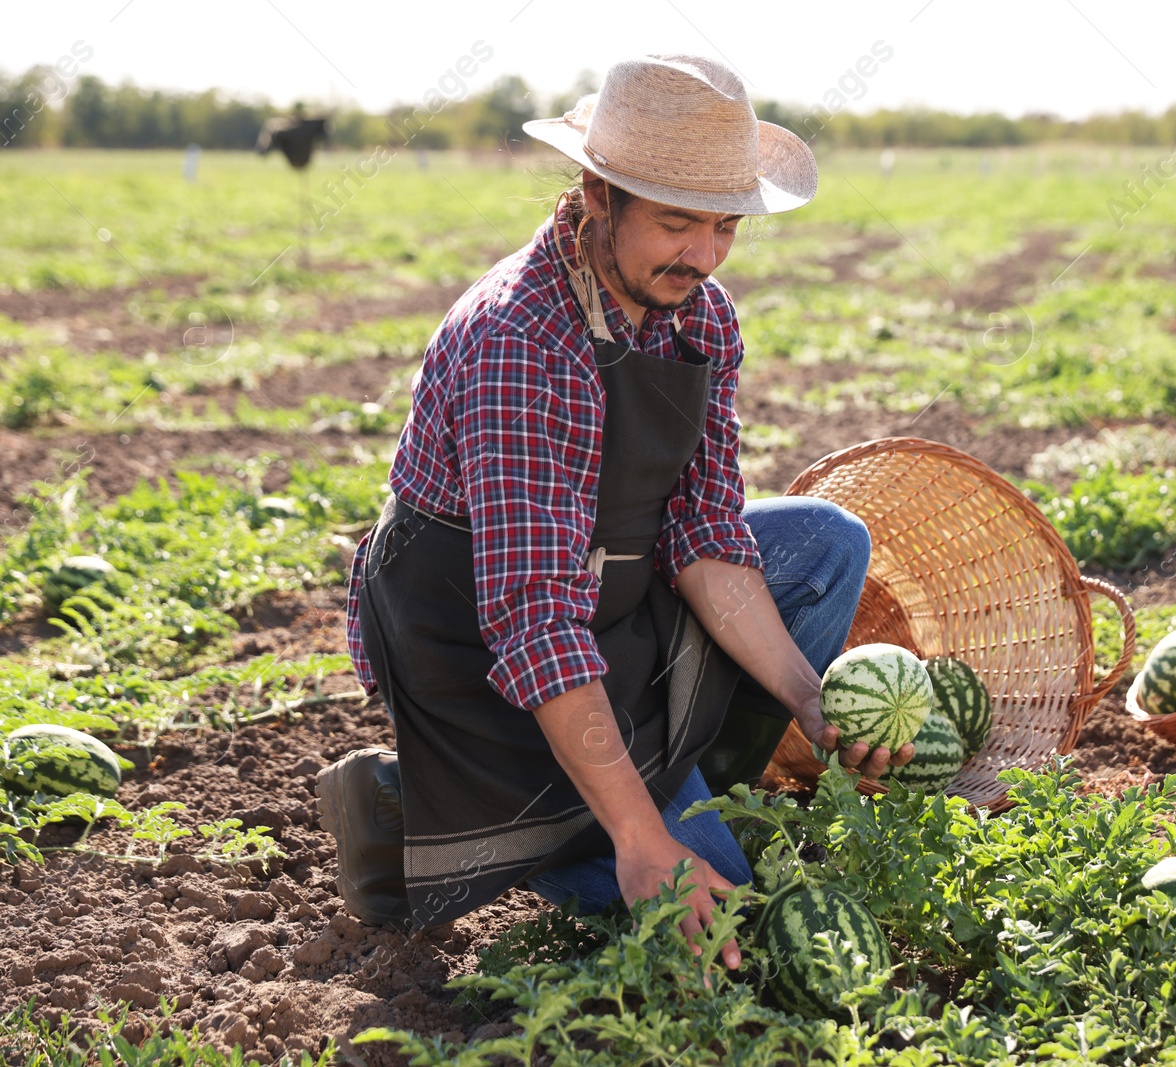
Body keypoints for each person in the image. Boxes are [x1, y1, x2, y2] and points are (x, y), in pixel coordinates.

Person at [315, 53, 911, 970]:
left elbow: (706, 532)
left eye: (724, 226)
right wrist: (642, 840)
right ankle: (430, 819)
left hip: (606, 587)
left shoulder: (699, 315)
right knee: (724, 904)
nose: (704, 256)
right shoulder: (522, 342)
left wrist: (809, 699)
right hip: (474, 643)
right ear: (600, 194)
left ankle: (653, 790)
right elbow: (531, 618)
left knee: (825, 545)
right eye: (677, 222)